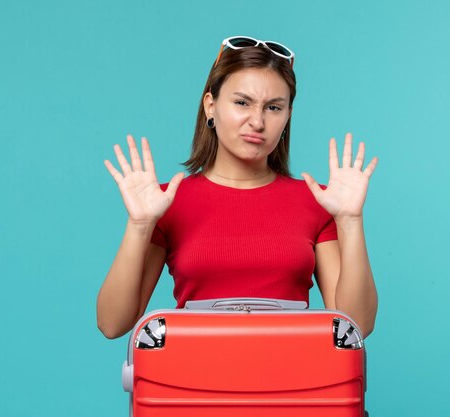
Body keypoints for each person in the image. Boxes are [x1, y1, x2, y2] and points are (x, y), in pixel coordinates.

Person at [97, 36, 379, 340]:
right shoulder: (165, 202)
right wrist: (140, 225)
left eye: (273, 107)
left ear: (287, 117)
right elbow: (113, 323)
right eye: (242, 102)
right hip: (191, 380)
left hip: (294, 380)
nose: (257, 121)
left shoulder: (318, 201)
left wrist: (350, 221)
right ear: (210, 106)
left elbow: (357, 324)